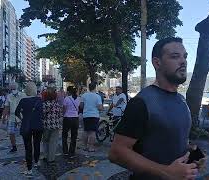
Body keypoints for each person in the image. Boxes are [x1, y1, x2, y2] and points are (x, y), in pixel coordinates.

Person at [108, 37, 198, 180]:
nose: (183, 61)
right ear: (157, 63)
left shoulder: (181, 100)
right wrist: (166, 172)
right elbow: (116, 152)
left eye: (185, 56)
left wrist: (193, 155)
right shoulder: (142, 102)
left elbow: (172, 140)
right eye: (175, 56)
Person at [15, 82, 43, 177]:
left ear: (26, 90)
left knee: (28, 147)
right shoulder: (40, 100)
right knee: (37, 144)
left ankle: (29, 169)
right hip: (38, 125)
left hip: (26, 125)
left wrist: (23, 118)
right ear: (35, 90)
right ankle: (36, 161)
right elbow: (43, 113)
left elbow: (16, 112)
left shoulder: (23, 101)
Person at [2, 83, 26, 153]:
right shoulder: (9, 96)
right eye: (12, 89)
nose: (13, 90)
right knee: (11, 132)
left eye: (14, 89)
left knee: (25, 132)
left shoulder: (23, 95)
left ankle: (26, 145)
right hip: (12, 117)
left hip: (21, 116)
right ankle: (14, 147)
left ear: (17, 88)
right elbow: (6, 107)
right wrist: (3, 118)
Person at [80, 83, 103, 152]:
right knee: (92, 132)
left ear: (88, 88)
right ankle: (91, 147)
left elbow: (81, 106)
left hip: (86, 115)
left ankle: (84, 146)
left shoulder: (84, 95)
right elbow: (100, 107)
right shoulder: (97, 96)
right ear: (95, 88)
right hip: (94, 115)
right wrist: (101, 108)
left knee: (85, 131)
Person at [42, 87, 62, 163]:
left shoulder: (43, 104)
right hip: (55, 125)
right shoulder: (57, 105)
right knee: (53, 142)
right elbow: (60, 115)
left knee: (45, 141)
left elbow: (41, 115)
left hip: (45, 125)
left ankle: (45, 155)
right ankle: (51, 158)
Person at [62, 86, 81, 158]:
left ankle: (65, 151)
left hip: (67, 118)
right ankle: (72, 152)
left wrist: (62, 116)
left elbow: (64, 109)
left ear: (68, 91)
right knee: (74, 136)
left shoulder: (66, 98)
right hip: (75, 118)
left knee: (64, 135)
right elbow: (78, 109)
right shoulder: (78, 99)